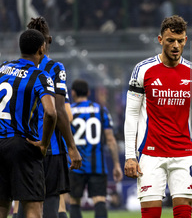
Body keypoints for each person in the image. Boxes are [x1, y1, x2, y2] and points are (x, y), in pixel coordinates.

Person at [124, 15, 192, 218]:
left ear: (186, 41)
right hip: (150, 153)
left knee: (183, 215)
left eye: (180, 41)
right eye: (170, 40)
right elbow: (131, 114)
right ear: (160, 39)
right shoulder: (143, 70)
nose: (175, 45)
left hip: (183, 153)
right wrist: (130, 155)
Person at [14, 16, 82, 218]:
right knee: (49, 203)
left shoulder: (12, 69)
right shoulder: (54, 68)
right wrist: (72, 147)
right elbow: (59, 111)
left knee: (22, 203)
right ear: (46, 43)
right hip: (49, 148)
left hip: (21, 144)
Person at [0, 29, 57, 218]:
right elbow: (50, 112)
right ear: (42, 48)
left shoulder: (2, 69)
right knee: (33, 208)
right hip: (21, 144)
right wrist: (44, 144)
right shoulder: (40, 76)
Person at [69, 79, 123, 218]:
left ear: (73, 93)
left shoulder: (69, 112)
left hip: (75, 164)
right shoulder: (100, 110)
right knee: (99, 200)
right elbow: (110, 139)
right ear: (88, 92)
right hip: (97, 164)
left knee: (74, 201)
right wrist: (117, 164)